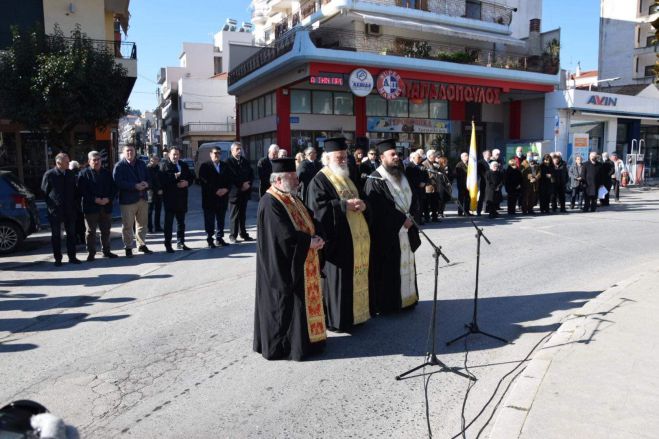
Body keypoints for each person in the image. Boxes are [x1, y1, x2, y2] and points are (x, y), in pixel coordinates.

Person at [253, 158, 327, 361]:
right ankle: (288, 346)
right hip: (284, 266)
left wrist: (318, 235)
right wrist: (308, 242)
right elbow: (282, 236)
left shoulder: (291, 196)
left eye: (296, 177)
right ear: (278, 180)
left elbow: (310, 217)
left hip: (304, 258)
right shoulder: (270, 202)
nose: (297, 182)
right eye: (292, 178)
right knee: (286, 305)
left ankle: (310, 341)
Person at [305, 138, 371, 331]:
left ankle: (358, 315)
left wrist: (364, 204)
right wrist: (344, 205)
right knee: (339, 282)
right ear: (327, 159)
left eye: (344, 157)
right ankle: (339, 320)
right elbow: (317, 210)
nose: (343, 160)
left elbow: (362, 196)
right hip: (337, 242)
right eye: (339, 157)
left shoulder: (349, 177)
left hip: (355, 241)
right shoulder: (319, 180)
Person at [364, 138, 421, 314]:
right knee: (389, 269)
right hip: (388, 235)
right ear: (382, 157)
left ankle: (408, 300)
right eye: (392, 154)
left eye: (397, 154)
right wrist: (400, 221)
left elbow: (414, 198)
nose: (397, 157)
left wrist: (412, 217)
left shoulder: (402, 175)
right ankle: (390, 304)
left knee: (407, 264)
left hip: (407, 228)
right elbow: (378, 210)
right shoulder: (375, 179)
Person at [77, 151, 118, 261]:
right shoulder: (83, 174)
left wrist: (108, 199)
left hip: (105, 206)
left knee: (106, 231)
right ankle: (91, 253)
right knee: (91, 232)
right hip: (91, 207)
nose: (96, 162)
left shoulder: (107, 173)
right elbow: (82, 191)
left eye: (98, 159)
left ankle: (107, 251)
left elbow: (113, 188)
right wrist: (95, 199)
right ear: (89, 161)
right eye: (94, 160)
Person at [112, 145, 152, 257]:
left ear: (135, 152)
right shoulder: (119, 166)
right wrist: (134, 186)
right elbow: (118, 182)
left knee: (142, 224)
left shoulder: (141, 164)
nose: (130, 153)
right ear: (124, 153)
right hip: (127, 201)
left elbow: (149, 178)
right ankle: (128, 247)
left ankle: (142, 244)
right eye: (127, 151)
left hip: (142, 198)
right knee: (127, 225)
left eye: (132, 151)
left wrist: (147, 184)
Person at [41, 152, 80, 266]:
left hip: (70, 209)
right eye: (66, 162)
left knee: (71, 234)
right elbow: (44, 192)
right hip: (55, 211)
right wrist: (52, 205)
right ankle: (58, 259)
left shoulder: (70, 174)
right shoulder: (49, 174)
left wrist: (75, 204)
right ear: (59, 163)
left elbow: (75, 190)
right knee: (56, 236)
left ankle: (72, 257)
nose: (69, 163)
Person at [159, 147, 194, 252]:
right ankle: (168, 244)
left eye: (177, 154)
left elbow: (191, 177)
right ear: (169, 155)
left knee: (181, 223)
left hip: (182, 199)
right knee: (168, 224)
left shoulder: (183, 165)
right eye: (174, 154)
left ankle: (181, 242)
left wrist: (187, 183)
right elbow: (162, 180)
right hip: (170, 199)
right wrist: (174, 177)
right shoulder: (164, 165)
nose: (175, 156)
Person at [198, 146, 232, 248]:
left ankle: (219, 238)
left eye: (219, 153)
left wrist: (226, 189)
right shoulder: (205, 166)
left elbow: (230, 179)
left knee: (221, 219)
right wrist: (216, 190)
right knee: (209, 220)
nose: (217, 155)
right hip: (210, 198)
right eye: (215, 153)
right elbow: (204, 181)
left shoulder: (225, 166)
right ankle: (210, 239)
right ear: (210, 154)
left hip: (222, 198)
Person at [226, 141, 255, 243]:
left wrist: (248, 184)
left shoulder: (245, 161)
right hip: (234, 193)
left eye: (240, 149)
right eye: (237, 149)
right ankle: (233, 235)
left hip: (244, 192)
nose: (239, 151)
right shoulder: (228, 162)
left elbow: (251, 174)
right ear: (232, 151)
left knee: (243, 215)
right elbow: (231, 177)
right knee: (234, 215)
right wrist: (241, 186)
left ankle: (243, 233)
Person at [405, 151, 428, 224]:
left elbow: (426, 175)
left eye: (420, 157)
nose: (420, 159)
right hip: (413, 189)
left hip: (422, 189)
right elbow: (410, 178)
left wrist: (424, 182)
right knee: (415, 205)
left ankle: (419, 219)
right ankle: (415, 220)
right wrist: (418, 183)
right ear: (413, 158)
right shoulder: (409, 167)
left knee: (421, 204)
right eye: (418, 157)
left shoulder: (422, 166)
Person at [68, 160, 86, 245]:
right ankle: (82, 238)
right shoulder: (81, 174)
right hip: (79, 201)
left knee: (73, 222)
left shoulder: (68, 174)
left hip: (72, 202)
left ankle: (76, 238)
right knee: (81, 222)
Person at [421, 150, 440, 222]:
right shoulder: (424, 163)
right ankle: (427, 217)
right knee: (427, 203)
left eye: (435, 155)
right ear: (429, 156)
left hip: (435, 187)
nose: (435, 156)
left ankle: (435, 217)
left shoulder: (434, 164)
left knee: (434, 203)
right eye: (433, 155)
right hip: (428, 187)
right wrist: (434, 173)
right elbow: (426, 175)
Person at [146, 154, 163, 233]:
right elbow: (149, 182)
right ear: (150, 160)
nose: (154, 161)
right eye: (153, 159)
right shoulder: (147, 169)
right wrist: (157, 190)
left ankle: (157, 226)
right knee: (149, 211)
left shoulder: (159, 168)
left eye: (156, 159)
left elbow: (161, 180)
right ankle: (149, 227)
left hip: (159, 192)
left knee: (158, 210)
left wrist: (161, 189)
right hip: (150, 192)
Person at [477, 150, 491, 215]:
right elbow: (480, 172)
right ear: (484, 155)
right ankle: (479, 211)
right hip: (483, 181)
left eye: (490, 154)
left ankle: (487, 209)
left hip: (490, 182)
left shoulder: (491, 162)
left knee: (489, 196)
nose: (489, 155)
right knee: (482, 196)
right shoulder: (480, 162)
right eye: (488, 154)